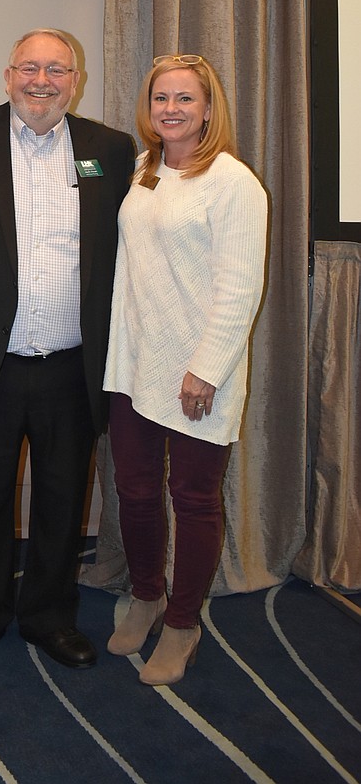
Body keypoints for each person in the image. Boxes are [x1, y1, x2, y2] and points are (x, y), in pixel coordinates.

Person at [0, 29, 134, 669]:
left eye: (58, 70)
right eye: (30, 67)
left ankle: (50, 615)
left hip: (71, 365)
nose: (42, 81)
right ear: (7, 74)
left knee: (62, 497)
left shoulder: (110, 149)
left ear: (74, 82)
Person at [103, 53, 268, 686]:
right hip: (135, 364)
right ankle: (146, 593)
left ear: (207, 109)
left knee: (193, 500)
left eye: (184, 99)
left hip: (199, 370)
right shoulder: (145, 170)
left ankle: (182, 621)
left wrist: (207, 368)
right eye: (160, 98)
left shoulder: (232, 182)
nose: (170, 109)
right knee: (135, 490)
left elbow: (240, 284)